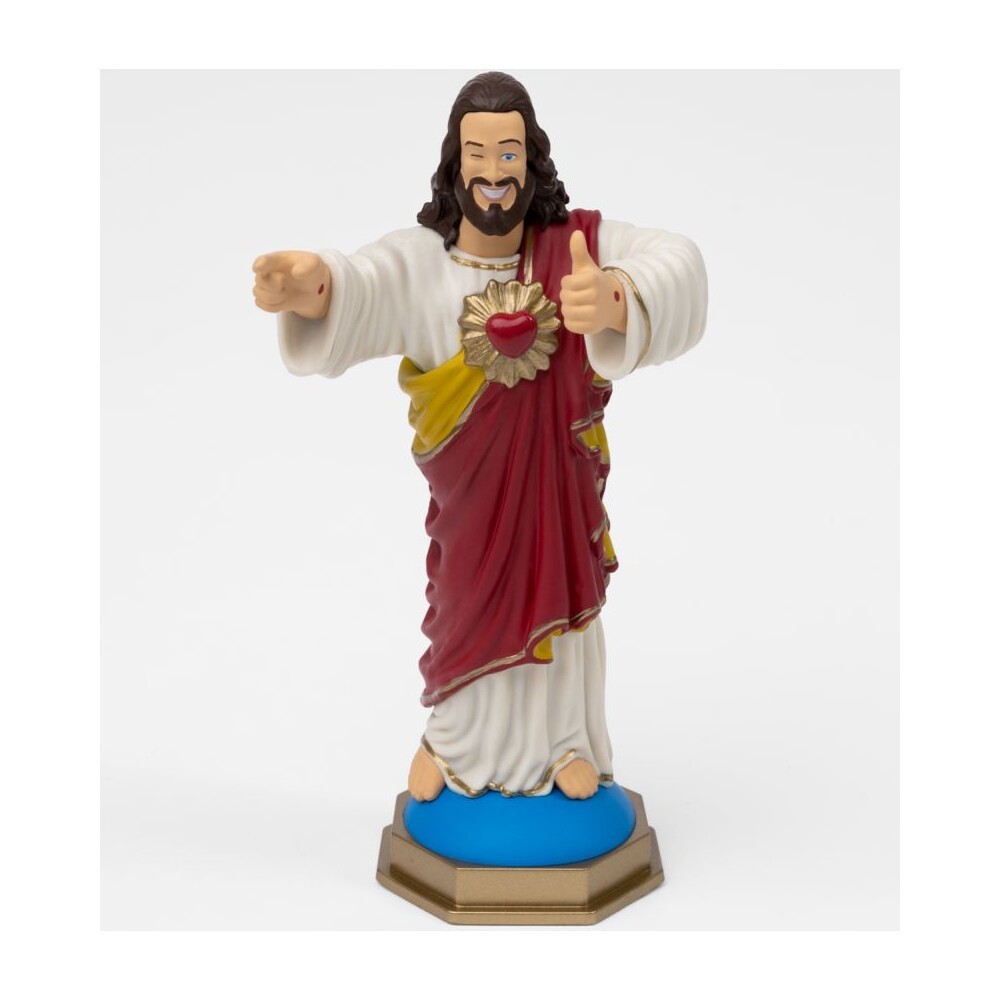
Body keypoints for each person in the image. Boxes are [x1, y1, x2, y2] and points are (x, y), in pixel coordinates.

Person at [252, 72, 708, 804]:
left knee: (558, 600)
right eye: (478, 154)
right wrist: (314, 287)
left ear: (532, 160)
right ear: (454, 163)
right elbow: (360, 286)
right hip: (469, 511)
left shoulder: (576, 246)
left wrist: (618, 296)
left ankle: (566, 745)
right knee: (462, 610)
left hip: (555, 496)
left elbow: (680, 260)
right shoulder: (421, 264)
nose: (494, 173)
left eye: (509, 154)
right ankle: (453, 744)